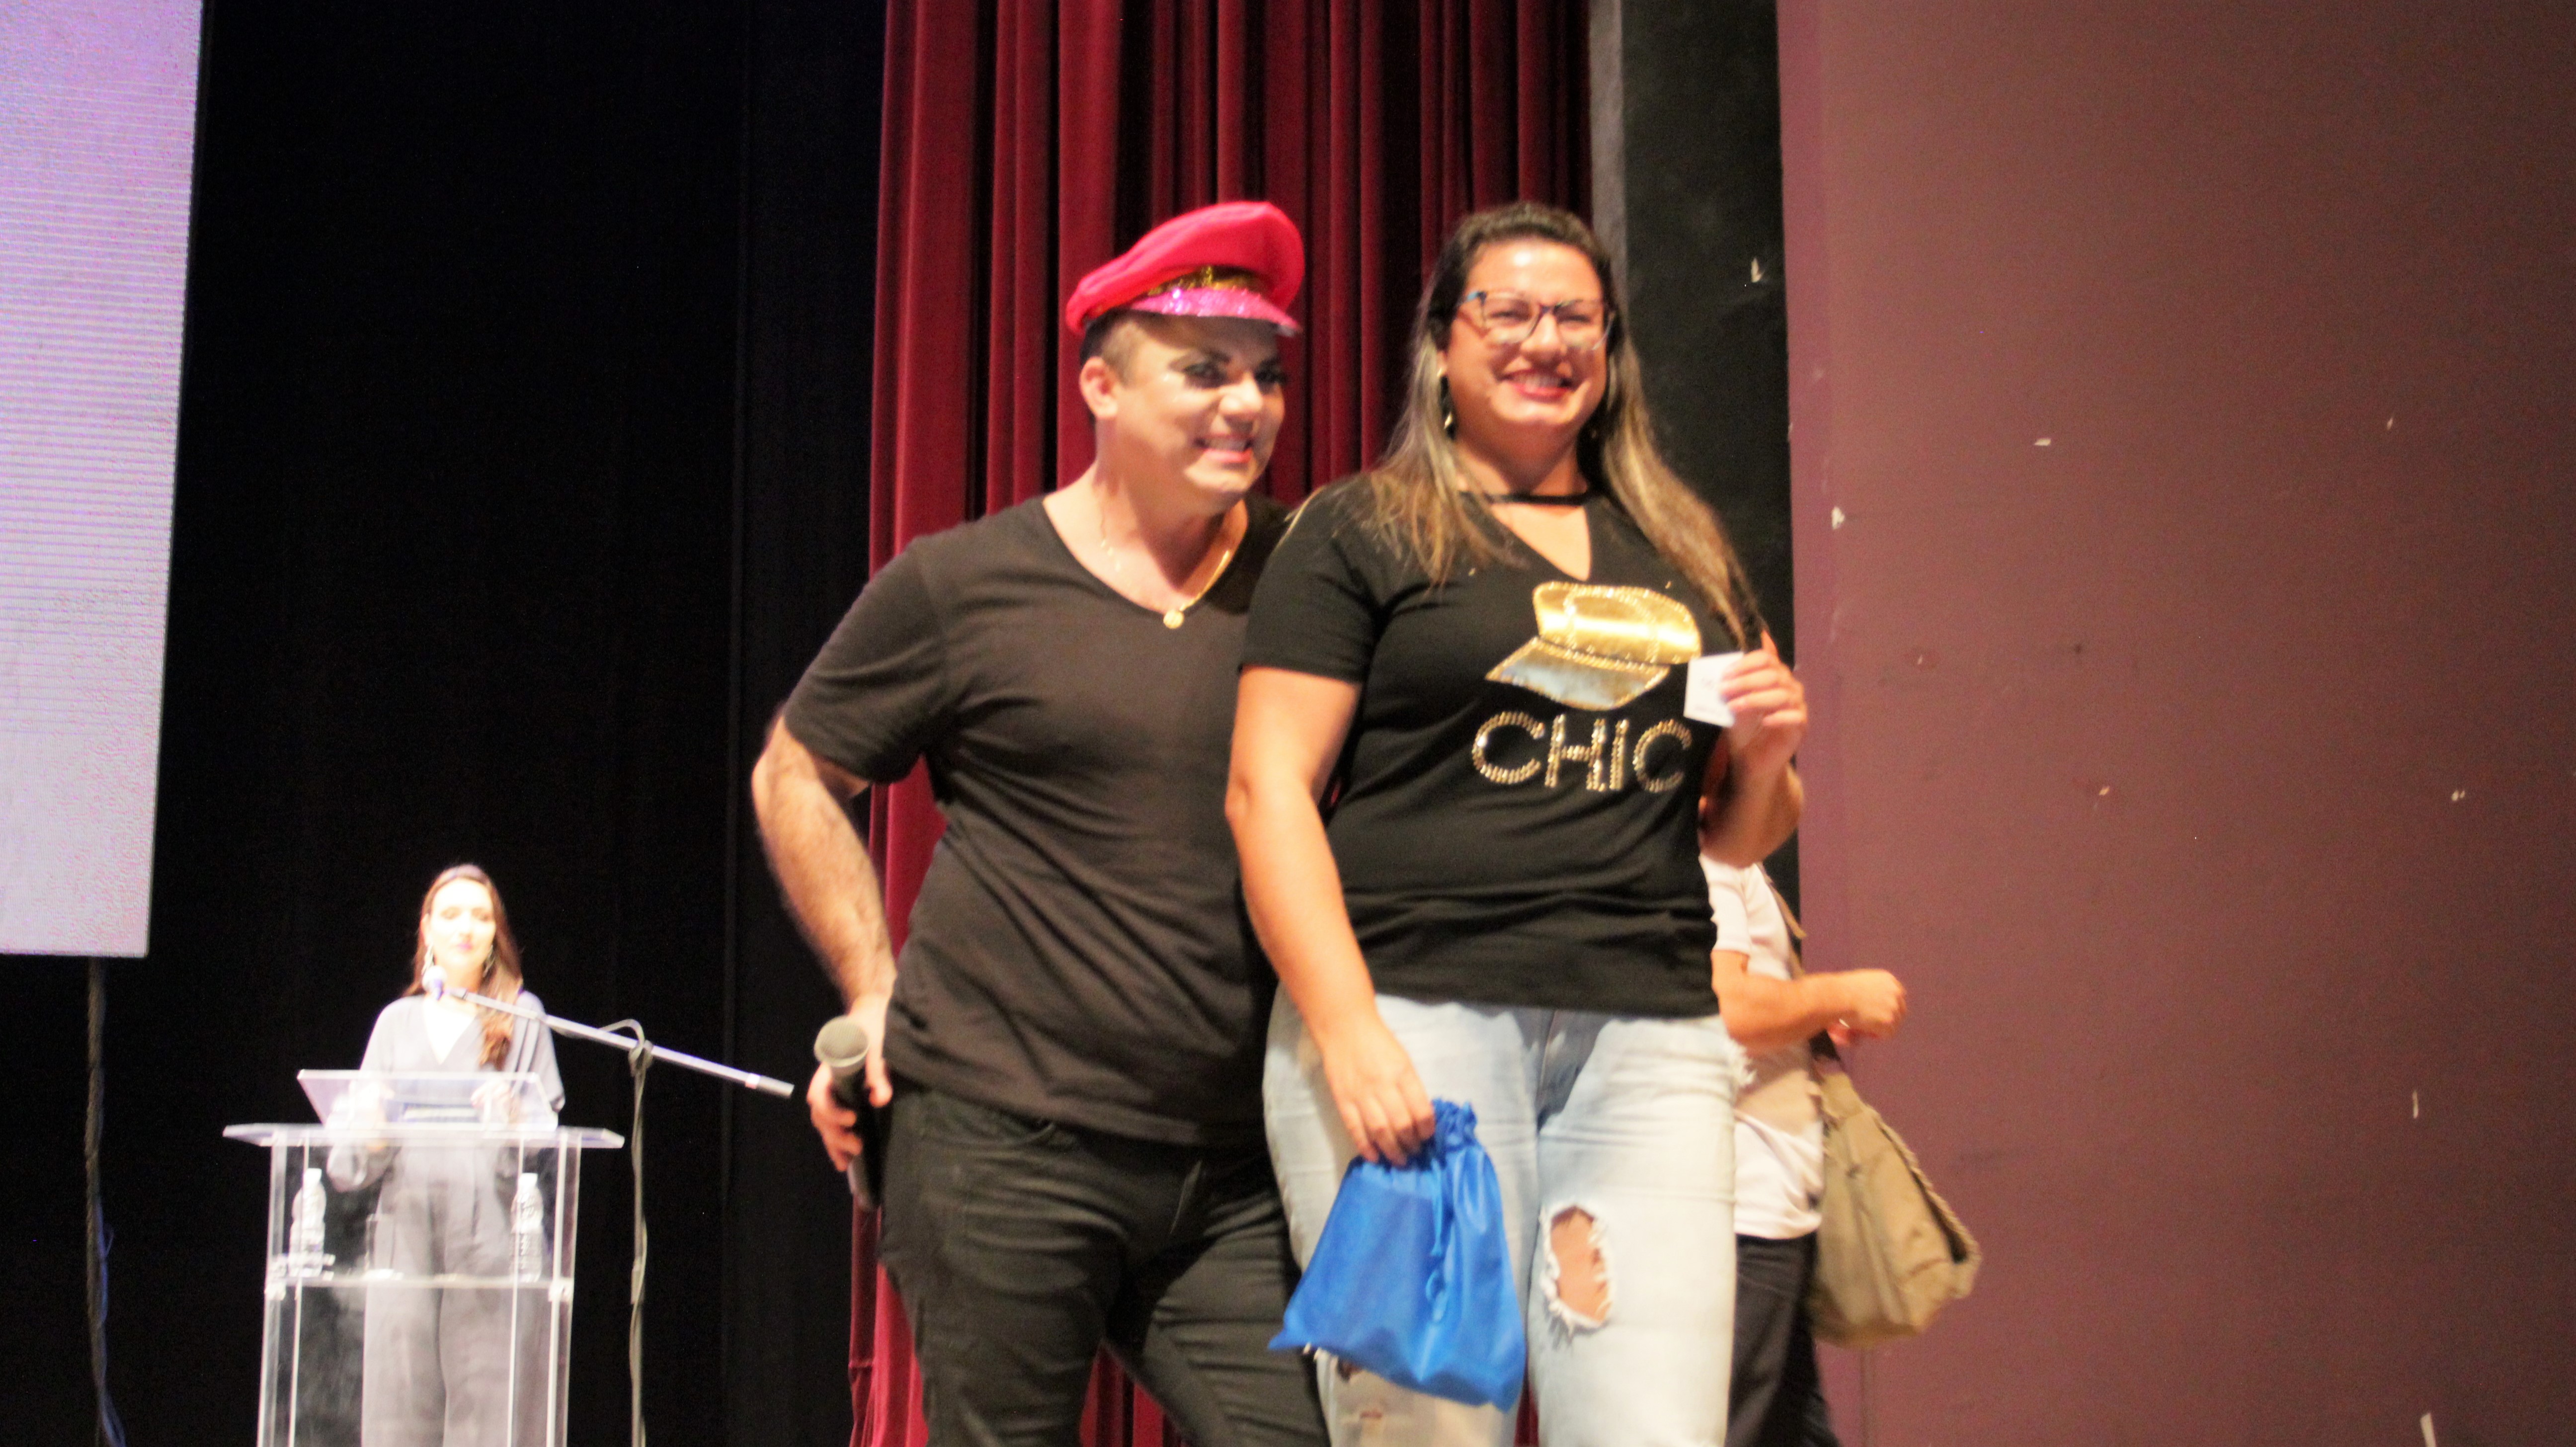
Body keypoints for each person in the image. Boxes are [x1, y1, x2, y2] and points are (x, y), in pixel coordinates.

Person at [1228, 200, 1807, 1447]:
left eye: (1576, 319)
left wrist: (1766, 757)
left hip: (1649, 1036)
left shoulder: (1682, 545)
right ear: (1443, 344)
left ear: (1611, 351)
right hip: (1418, 1026)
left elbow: (1735, 834)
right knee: (1422, 1429)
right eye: (1509, 312)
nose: (1546, 341)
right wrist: (1348, 1031)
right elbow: (1266, 791)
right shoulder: (1363, 526)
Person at [750, 201, 1327, 1447]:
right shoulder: (962, 584)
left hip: (1232, 1164)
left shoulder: (1314, 578)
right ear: (1100, 388)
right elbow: (796, 771)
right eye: (1206, 371)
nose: (1247, 405)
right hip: (996, 1141)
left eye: (1268, 377)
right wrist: (871, 988)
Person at [334, 863, 565, 1447]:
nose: (466, 927)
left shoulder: (522, 1015)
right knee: (400, 1408)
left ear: (495, 936)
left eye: (481, 916)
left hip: (489, 1241)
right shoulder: (396, 1022)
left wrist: (513, 1119)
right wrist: (373, 1130)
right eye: (452, 914)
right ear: (427, 929)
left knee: (486, 1410)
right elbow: (352, 1155)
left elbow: (546, 1144)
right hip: (405, 1237)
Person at [1704, 859, 1905, 1447]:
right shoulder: (1712, 854)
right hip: (1746, 1215)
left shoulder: (1733, 858)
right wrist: (1841, 992)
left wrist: (1812, 1019)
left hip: (1768, 1213)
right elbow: (1730, 1007)